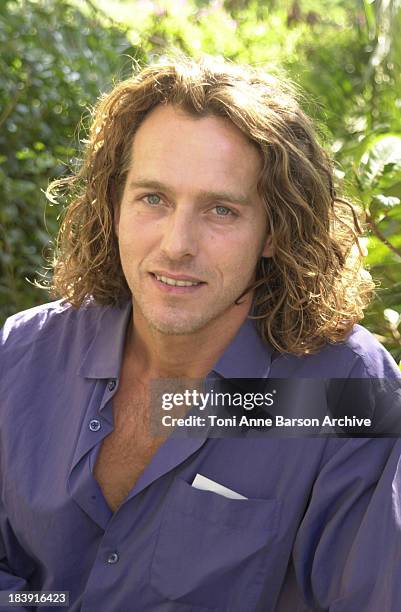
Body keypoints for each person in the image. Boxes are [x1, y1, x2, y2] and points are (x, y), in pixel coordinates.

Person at [0, 56, 400, 612]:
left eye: (221, 210)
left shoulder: (341, 387)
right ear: (114, 203)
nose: (176, 244)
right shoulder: (24, 356)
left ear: (273, 231)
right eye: (154, 198)